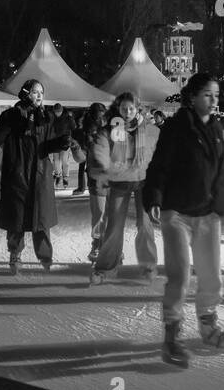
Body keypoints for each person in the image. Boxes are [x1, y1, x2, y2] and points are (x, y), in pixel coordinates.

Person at [143, 72, 224, 366]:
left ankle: (208, 325)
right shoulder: (176, 128)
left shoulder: (216, 129)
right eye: (207, 95)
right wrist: (153, 197)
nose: (214, 101)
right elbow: (159, 166)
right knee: (179, 276)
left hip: (206, 214)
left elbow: (221, 174)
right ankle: (172, 337)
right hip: (176, 212)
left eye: (216, 95)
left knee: (212, 276)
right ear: (192, 97)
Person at [0, 80, 67, 273]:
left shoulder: (47, 117)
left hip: (40, 175)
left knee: (41, 217)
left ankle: (45, 256)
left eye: (41, 92)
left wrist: (62, 143)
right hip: (17, 174)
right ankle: (15, 254)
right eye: (35, 92)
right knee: (16, 219)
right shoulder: (11, 117)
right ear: (26, 93)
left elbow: (48, 145)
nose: (39, 95)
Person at [89, 92, 160, 283]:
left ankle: (148, 265)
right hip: (120, 182)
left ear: (137, 109)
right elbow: (102, 149)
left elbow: (159, 155)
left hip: (144, 182)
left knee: (145, 225)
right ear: (118, 110)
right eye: (123, 109)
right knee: (114, 226)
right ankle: (106, 268)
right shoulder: (113, 130)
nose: (127, 112)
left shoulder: (150, 130)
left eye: (131, 108)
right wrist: (104, 165)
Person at [77, 103, 109, 255]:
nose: (101, 119)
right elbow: (81, 156)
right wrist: (76, 148)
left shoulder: (113, 130)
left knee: (111, 215)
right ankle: (97, 244)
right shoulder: (87, 134)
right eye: (99, 116)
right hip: (96, 179)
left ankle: (111, 246)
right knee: (99, 213)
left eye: (103, 115)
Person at [48, 102, 76, 188]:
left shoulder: (68, 117)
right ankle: (58, 175)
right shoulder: (52, 117)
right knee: (56, 160)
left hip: (65, 142)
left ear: (62, 110)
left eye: (59, 112)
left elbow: (74, 127)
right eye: (56, 112)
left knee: (64, 160)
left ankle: (65, 177)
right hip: (55, 141)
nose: (57, 113)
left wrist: (70, 138)